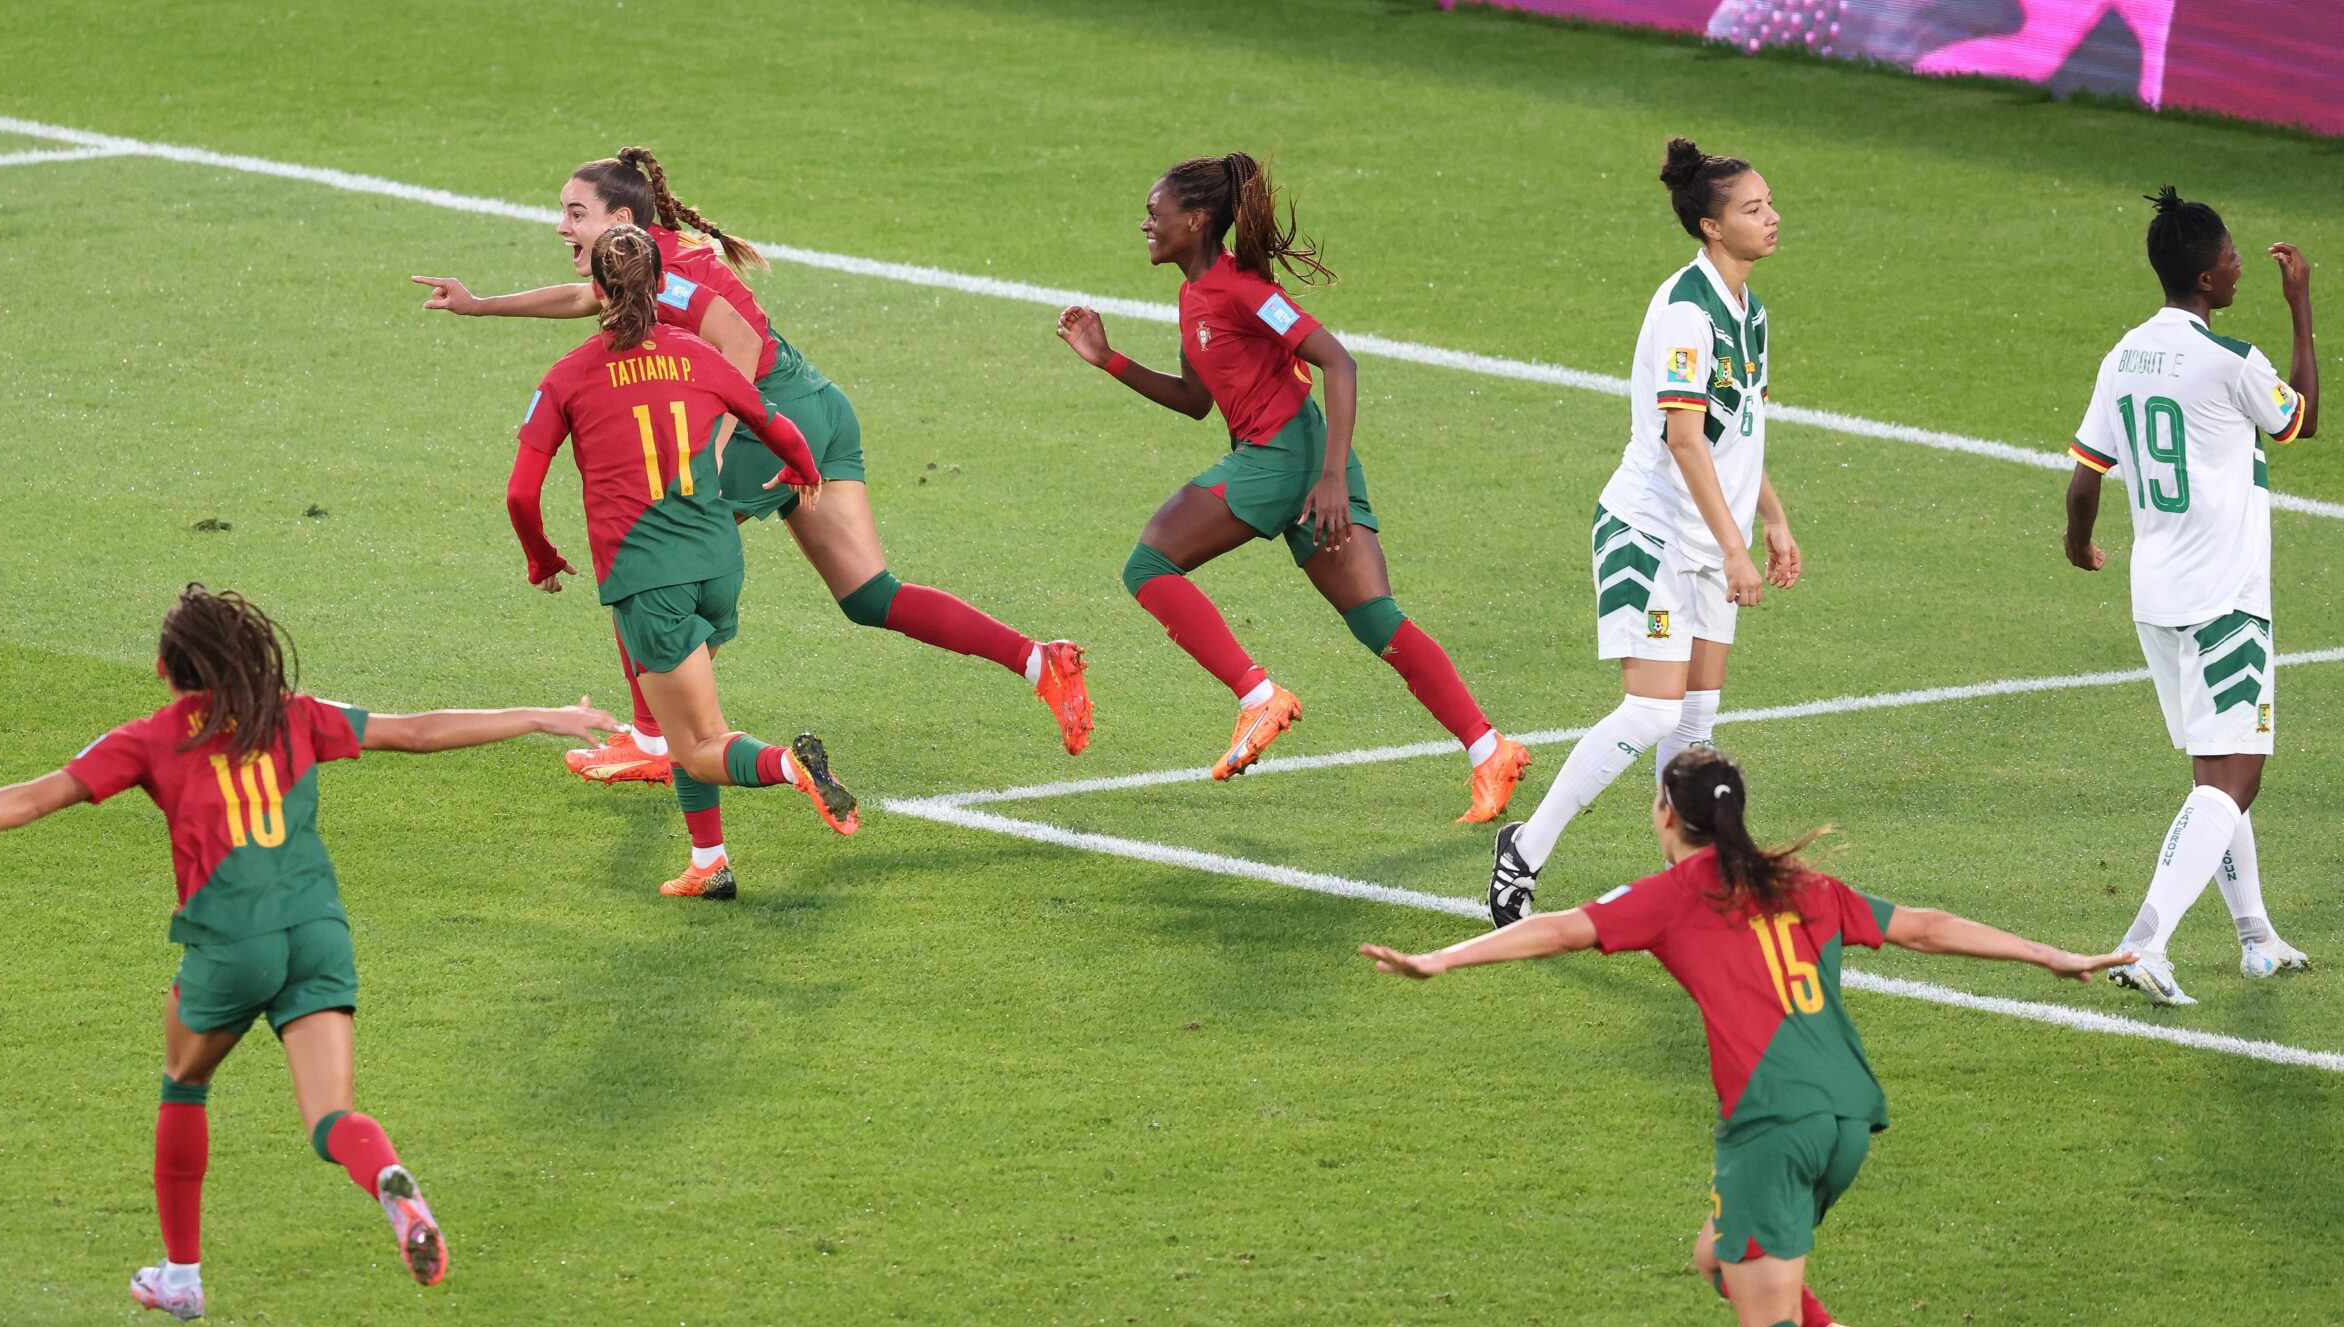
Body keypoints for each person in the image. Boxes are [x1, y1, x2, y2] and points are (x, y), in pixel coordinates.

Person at [1361, 747, 2130, 1327]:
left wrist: (1440, 959)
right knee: (1718, 1255)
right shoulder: (1803, 886)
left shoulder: (1670, 898)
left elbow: (1556, 929)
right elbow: (1925, 928)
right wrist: (2046, 953)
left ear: (1666, 811)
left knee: (1763, 1314)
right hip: (1847, 1117)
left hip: (1773, 1120)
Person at [0, 585, 622, 1319]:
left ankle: (181, 1277)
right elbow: (416, 731)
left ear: (165, 670)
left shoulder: (149, 740)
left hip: (232, 945)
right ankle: (384, 1174)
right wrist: (539, 716)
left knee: (184, 1080)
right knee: (330, 1116)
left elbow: (38, 795)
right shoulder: (294, 717)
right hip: (318, 934)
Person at [417, 146, 1091, 782]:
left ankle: (654, 742)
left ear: (619, 220)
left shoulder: (668, 275)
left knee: (646, 552)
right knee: (870, 595)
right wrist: (480, 304)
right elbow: (586, 298)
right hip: (818, 404)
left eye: (574, 213)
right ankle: (1040, 661)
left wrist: (713, 439)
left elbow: (736, 341)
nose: (560, 224)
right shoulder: (647, 259)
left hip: (767, 418)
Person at [1054, 152, 1529, 817]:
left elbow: (1338, 360)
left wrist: (1333, 475)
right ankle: (1490, 750)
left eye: (1155, 214)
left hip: (1285, 458)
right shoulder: (1194, 295)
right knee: (1377, 620)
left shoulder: (1242, 290)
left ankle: (1257, 696)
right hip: (1297, 457)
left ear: (1195, 221)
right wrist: (1109, 360)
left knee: (1149, 564)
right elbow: (1196, 399)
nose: (1146, 225)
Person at [1487, 137, 1797, 925]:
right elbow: (1684, 439)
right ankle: (1525, 849)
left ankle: (1690, 879)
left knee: (1696, 722)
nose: (1772, 218)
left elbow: (1739, 428)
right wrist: (1736, 547)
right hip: (1653, 533)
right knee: (1655, 713)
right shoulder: (1689, 312)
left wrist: (1773, 518)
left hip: (1709, 540)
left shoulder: (1749, 312)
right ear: (1710, 227)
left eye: (1769, 204)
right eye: (1752, 209)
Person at [509, 224, 859, 899]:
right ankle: (709, 861)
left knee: (698, 742)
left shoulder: (569, 375)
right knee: (683, 720)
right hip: (716, 563)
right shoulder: (699, 356)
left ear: (598, 291)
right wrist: (804, 469)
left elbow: (522, 491)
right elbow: (774, 421)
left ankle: (792, 767)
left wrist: (540, 556)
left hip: (650, 575)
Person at [2064, 188, 2318, 1005]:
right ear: (2207, 279)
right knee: (2233, 779)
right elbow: (2300, 422)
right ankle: (2144, 942)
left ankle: (2256, 939)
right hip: (2224, 599)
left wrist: (2079, 545)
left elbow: (2084, 478)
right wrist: (2302, 308)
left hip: (2158, 597)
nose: (2242, 261)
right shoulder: (2231, 359)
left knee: (2217, 771)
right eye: (2233, 254)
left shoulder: (2123, 355)